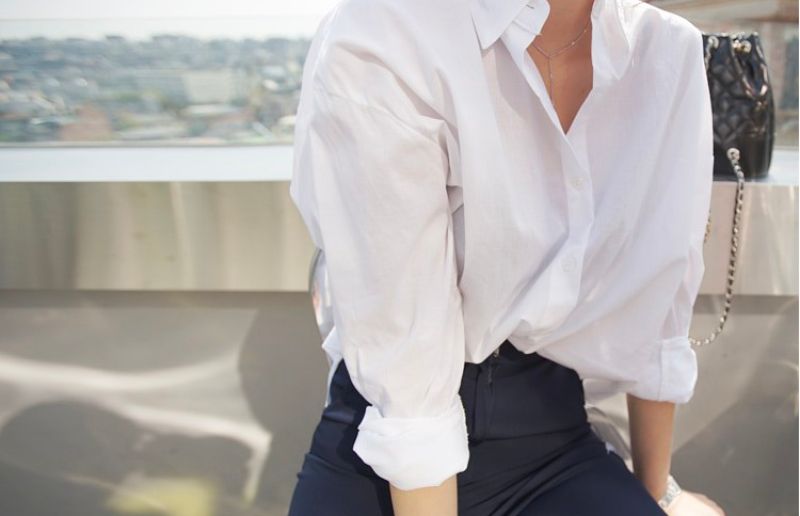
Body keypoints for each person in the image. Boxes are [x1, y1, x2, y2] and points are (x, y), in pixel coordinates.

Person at [287, 0, 726, 514]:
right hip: (384, 448)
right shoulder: (388, 31)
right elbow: (408, 375)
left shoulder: (666, 50)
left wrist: (658, 495)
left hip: (551, 436)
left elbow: (657, 297)